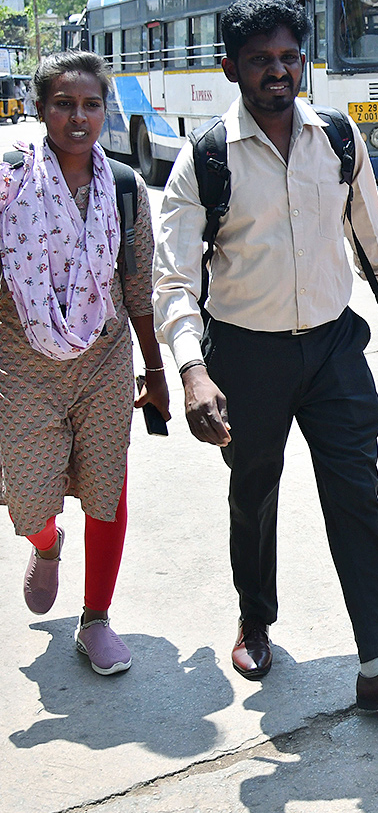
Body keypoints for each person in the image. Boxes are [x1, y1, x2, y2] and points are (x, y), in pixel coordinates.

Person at [154, 0, 378, 717]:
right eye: (259, 60)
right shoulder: (206, 158)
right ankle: (256, 616)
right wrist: (193, 369)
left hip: (333, 348)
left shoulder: (339, 138)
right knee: (253, 493)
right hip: (244, 357)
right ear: (232, 68)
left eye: (288, 57)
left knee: (357, 493)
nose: (277, 72)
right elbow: (172, 276)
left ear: (303, 62)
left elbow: (367, 224)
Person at [0, 51, 169, 675]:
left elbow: (137, 286)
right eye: (64, 104)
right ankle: (47, 547)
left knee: (107, 488)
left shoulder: (124, 188)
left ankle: (96, 617)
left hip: (104, 359)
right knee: (28, 505)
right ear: (40, 110)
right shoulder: (10, 184)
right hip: (23, 362)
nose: (79, 116)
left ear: (106, 110)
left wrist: (154, 371)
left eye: (91, 104)